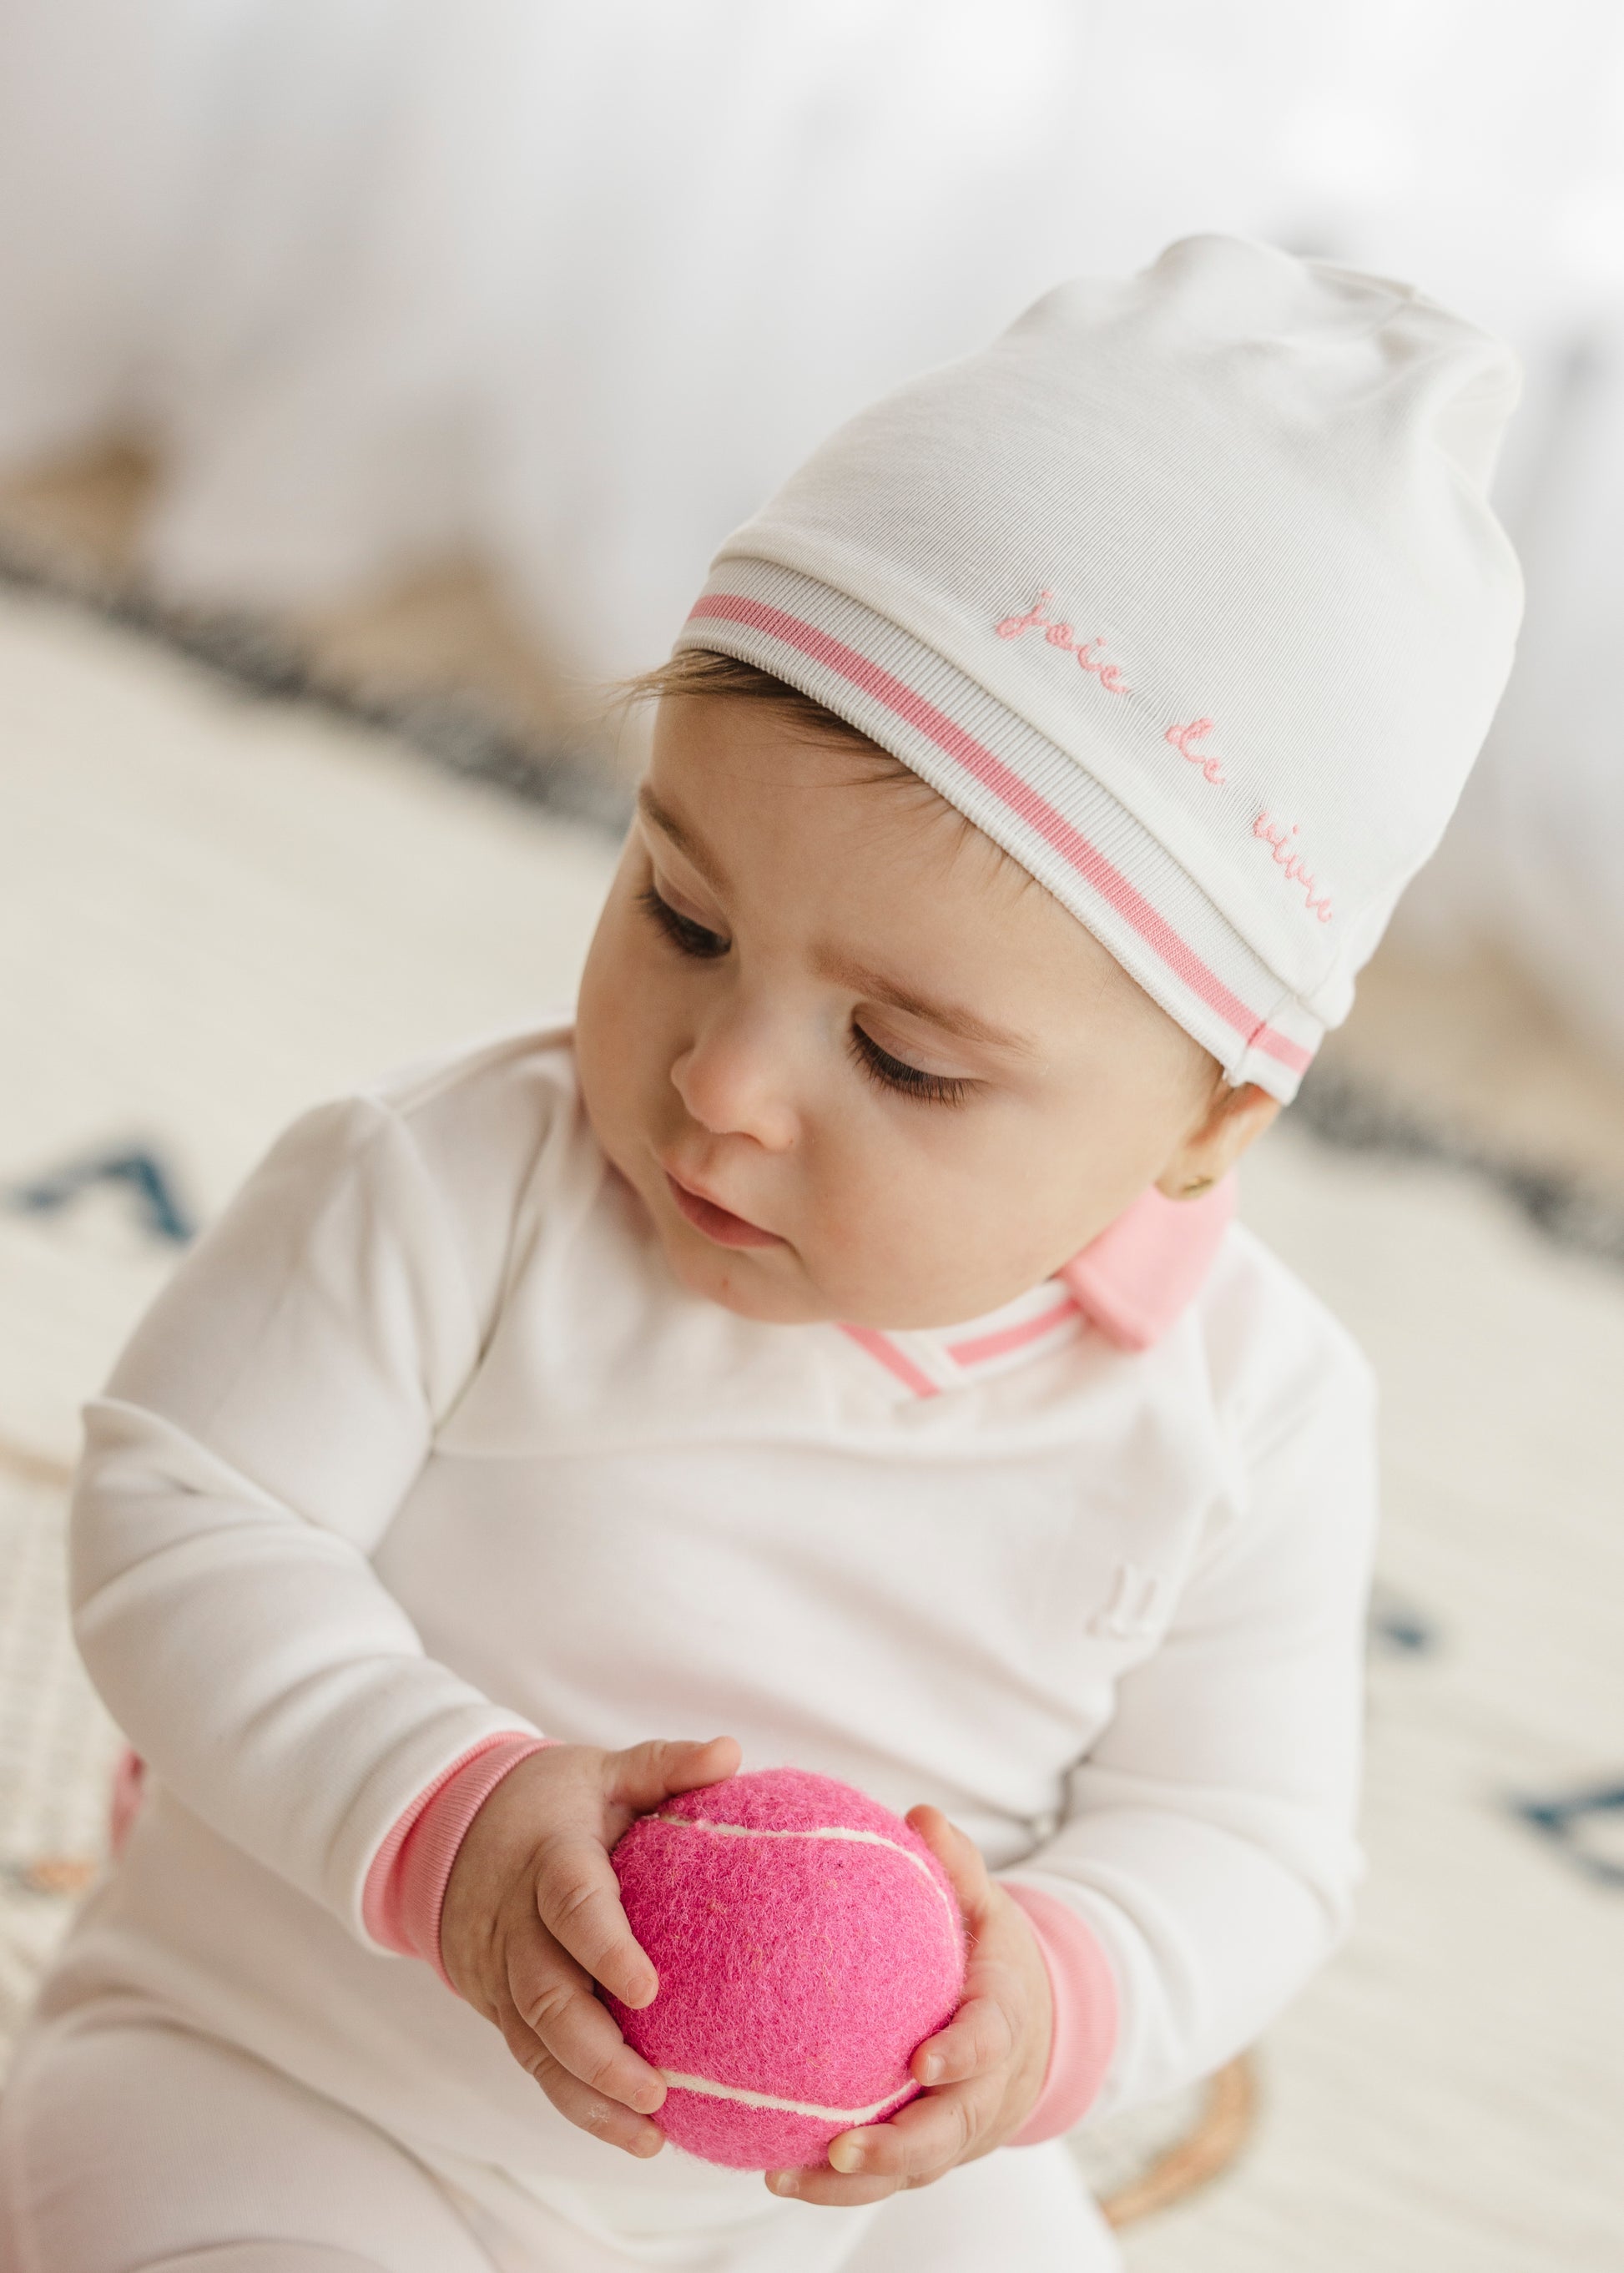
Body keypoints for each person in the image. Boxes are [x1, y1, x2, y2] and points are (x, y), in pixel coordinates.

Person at [0, 235, 1522, 2273]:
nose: (721, 1085)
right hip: (285, 2079)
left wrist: (1054, 1999)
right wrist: (440, 1814)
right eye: (684, 918)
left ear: (1210, 1120)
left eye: (901, 1058)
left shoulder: (1253, 1416)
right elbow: (186, 1526)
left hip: (821, 2195)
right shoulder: (447, 1187)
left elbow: (1244, 1839)